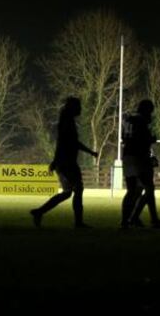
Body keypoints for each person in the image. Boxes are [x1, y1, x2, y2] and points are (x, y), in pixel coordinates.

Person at [30, 97, 97, 228]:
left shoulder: (66, 121)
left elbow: (63, 142)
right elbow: (70, 143)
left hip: (65, 162)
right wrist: (90, 152)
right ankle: (78, 222)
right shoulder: (68, 123)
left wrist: (55, 161)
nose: (80, 109)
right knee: (77, 189)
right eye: (78, 107)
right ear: (73, 108)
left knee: (68, 193)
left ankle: (39, 212)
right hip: (67, 163)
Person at [121, 100, 160, 229]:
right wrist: (150, 140)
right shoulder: (141, 121)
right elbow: (141, 138)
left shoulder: (129, 121)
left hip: (127, 156)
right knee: (148, 188)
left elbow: (124, 138)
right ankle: (148, 219)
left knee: (134, 191)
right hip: (139, 157)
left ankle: (126, 221)